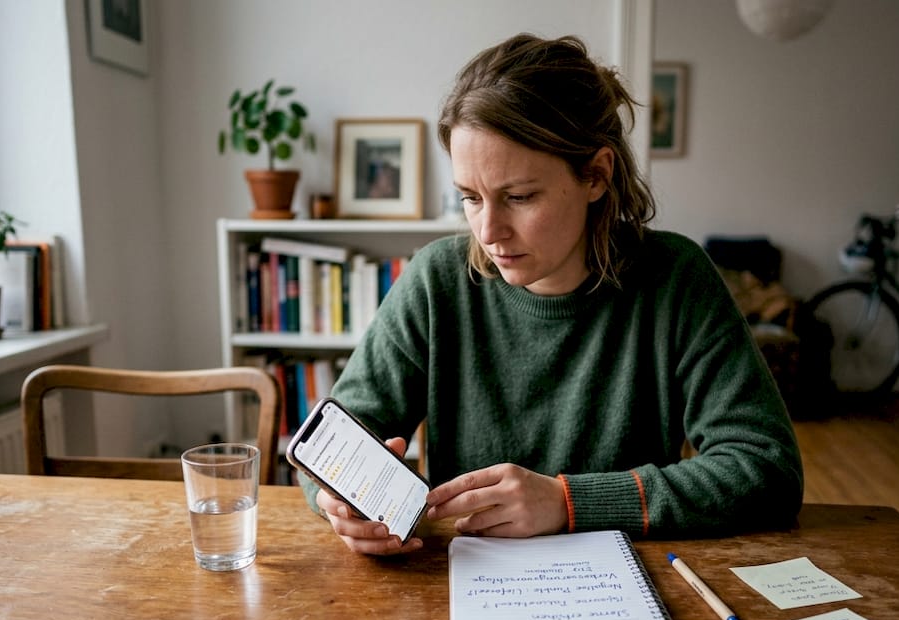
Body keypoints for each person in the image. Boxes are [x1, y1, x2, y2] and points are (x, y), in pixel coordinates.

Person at [301, 33, 802, 555]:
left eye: (519, 196)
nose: (488, 231)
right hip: (460, 581)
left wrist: (569, 503)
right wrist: (340, 500)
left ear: (596, 175)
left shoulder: (676, 278)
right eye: (470, 198)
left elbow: (767, 468)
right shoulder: (435, 281)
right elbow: (329, 447)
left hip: (632, 580)